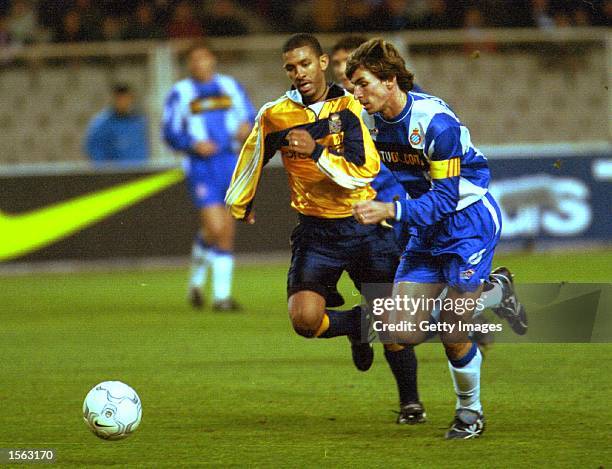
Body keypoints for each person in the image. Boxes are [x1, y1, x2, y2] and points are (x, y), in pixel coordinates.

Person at [226, 33, 425, 425]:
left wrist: (316, 152)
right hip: (317, 233)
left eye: (304, 64)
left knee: (396, 326)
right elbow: (252, 156)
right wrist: (241, 201)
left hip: (365, 226)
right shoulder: (275, 115)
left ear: (321, 63)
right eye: (290, 67)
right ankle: (357, 326)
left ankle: (411, 403)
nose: (298, 73)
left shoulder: (350, 106)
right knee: (304, 320)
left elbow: (362, 171)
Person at [346, 38, 527, 439]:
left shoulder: (434, 125)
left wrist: (390, 210)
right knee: (400, 331)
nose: (356, 94)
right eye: (352, 86)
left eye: (362, 83)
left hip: (468, 223)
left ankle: (470, 413)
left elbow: (445, 197)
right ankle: (495, 292)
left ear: (390, 80)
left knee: (452, 329)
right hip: (427, 228)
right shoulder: (370, 119)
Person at [162, 42, 255, 312]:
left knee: (225, 229)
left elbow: (249, 116)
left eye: (204, 58)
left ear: (213, 59)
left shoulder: (230, 86)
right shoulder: (180, 93)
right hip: (202, 165)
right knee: (215, 227)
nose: (200, 64)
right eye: (194, 60)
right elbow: (169, 131)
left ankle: (221, 297)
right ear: (188, 64)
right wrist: (192, 144)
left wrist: (245, 127)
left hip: (231, 162)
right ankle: (197, 280)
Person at [84, 83, 149, 165]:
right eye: (120, 99)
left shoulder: (138, 121)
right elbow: (95, 149)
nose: (124, 102)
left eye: (127, 98)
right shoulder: (102, 123)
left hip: (139, 170)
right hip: (114, 173)